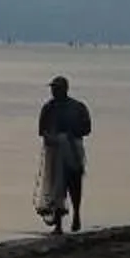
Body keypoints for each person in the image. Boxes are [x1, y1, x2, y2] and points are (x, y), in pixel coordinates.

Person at [34, 75, 93, 233]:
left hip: (73, 148)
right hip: (54, 151)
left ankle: (76, 216)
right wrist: (52, 138)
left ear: (65, 89)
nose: (54, 91)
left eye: (57, 88)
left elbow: (87, 129)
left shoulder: (77, 107)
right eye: (53, 88)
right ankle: (59, 224)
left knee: (73, 183)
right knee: (56, 186)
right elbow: (42, 131)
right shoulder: (48, 108)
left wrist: (69, 135)